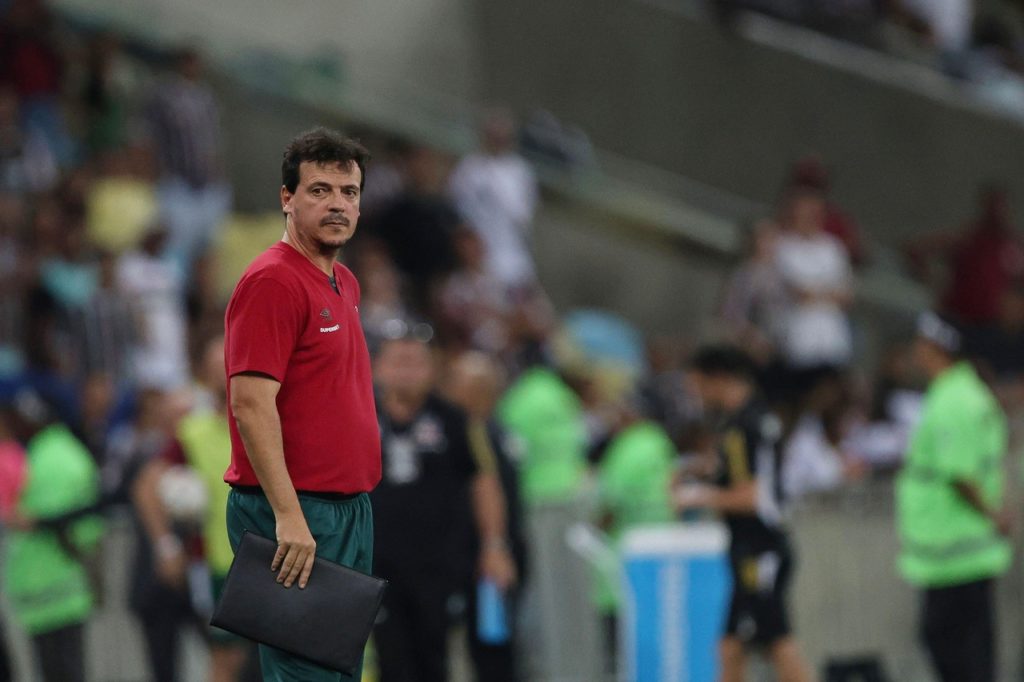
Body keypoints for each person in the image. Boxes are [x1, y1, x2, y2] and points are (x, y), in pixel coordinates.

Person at [223, 128, 381, 682]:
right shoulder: (272, 282)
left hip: (345, 509)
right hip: (295, 511)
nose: (338, 204)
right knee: (307, 677)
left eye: (349, 191)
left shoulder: (344, 281)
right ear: (287, 198)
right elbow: (250, 405)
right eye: (320, 190)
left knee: (335, 674)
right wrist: (289, 515)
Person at [370, 333, 516, 682]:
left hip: (438, 565)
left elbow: (484, 482)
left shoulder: (455, 420)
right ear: (377, 368)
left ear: (433, 369)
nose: (407, 373)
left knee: (433, 657)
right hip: (374, 563)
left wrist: (494, 545)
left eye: (416, 363)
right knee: (389, 661)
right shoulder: (359, 415)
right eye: (398, 363)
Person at [674, 345, 812, 682]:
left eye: (696, 384)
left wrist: (696, 496)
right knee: (731, 647)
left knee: (778, 643)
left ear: (717, 379)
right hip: (749, 549)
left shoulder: (744, 427)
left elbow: (754, 496)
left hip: (759, 550)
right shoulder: (751, 419)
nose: (694, 393)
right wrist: (702, 470)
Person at [896, 312, 1011, 682]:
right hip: (961, 548)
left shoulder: (952, 400)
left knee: (953, 647)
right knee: (969, 646)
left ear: (934, 349)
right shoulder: (965, 392)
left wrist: (992, 514)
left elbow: (959, 474)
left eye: (921, 345)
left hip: (954, 547)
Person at [132, 334, 252, 682]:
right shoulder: (192, 431)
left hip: (274, 557)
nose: (226, 373)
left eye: (231, 363)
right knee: (227, 659)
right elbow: (146, 486)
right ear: (203, 374)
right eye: (217, 367)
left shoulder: (265, 419)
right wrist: (166, 547)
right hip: (220, 565)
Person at [0, 389, 104, 682]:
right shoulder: (65, 452)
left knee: (57, 670)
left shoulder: (42, 457)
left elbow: (35, 516)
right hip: (62, 584)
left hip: (47, 584)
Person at [444, 351, 529, 682]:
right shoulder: (487, 434)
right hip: (481, 552)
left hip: (489, 557)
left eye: (457, 383)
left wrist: (495, 547)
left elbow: (500, 499)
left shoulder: (487, 438)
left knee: (492, 645)